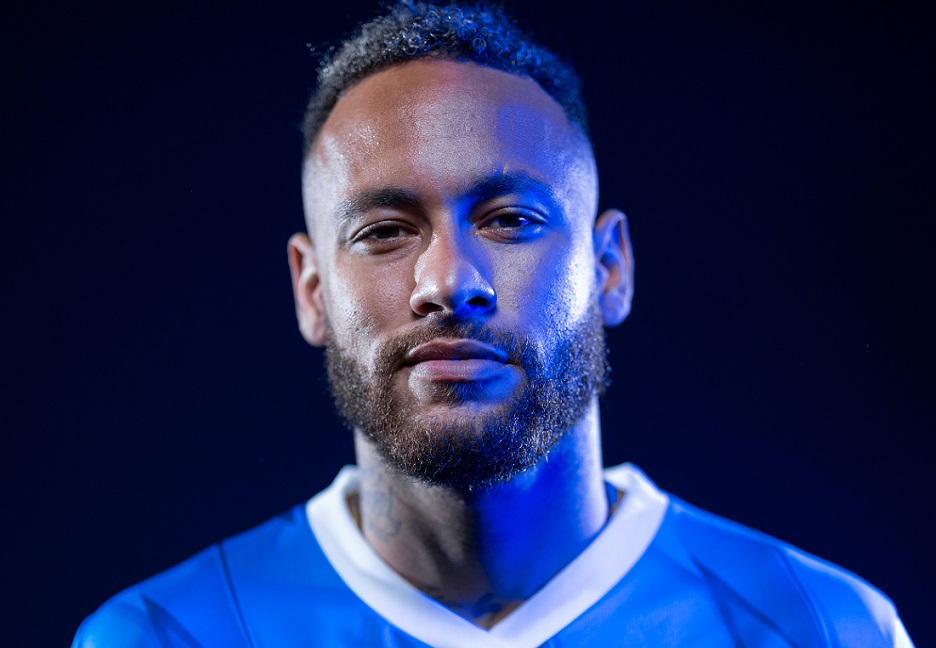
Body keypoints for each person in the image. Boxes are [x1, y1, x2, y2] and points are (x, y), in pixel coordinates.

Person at [72, 2, 913, 646]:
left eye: (511, 220)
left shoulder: (822, 628)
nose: (449, 282)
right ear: (312, 290)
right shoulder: (164, 636)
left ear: (610, 267)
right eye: (385, 231)